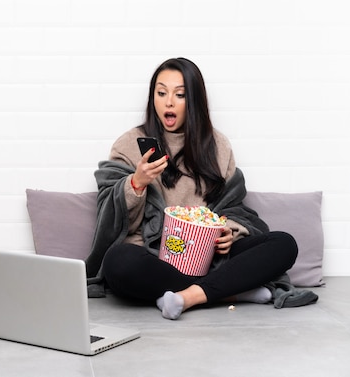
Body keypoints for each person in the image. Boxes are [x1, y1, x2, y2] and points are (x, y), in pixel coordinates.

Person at [85, 57, 309, 320]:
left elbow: (234, 207)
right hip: (154, 258)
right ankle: (229, 291)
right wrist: (137, 182)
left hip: (211, 259)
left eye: (179, 95)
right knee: (118, 262)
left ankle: (188, 297)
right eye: (161, 93)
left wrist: (229, 233)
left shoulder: (217, 145)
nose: (168, 102)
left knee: (284, 244)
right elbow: (109, 217)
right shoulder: (129, 144)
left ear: (194, 100)